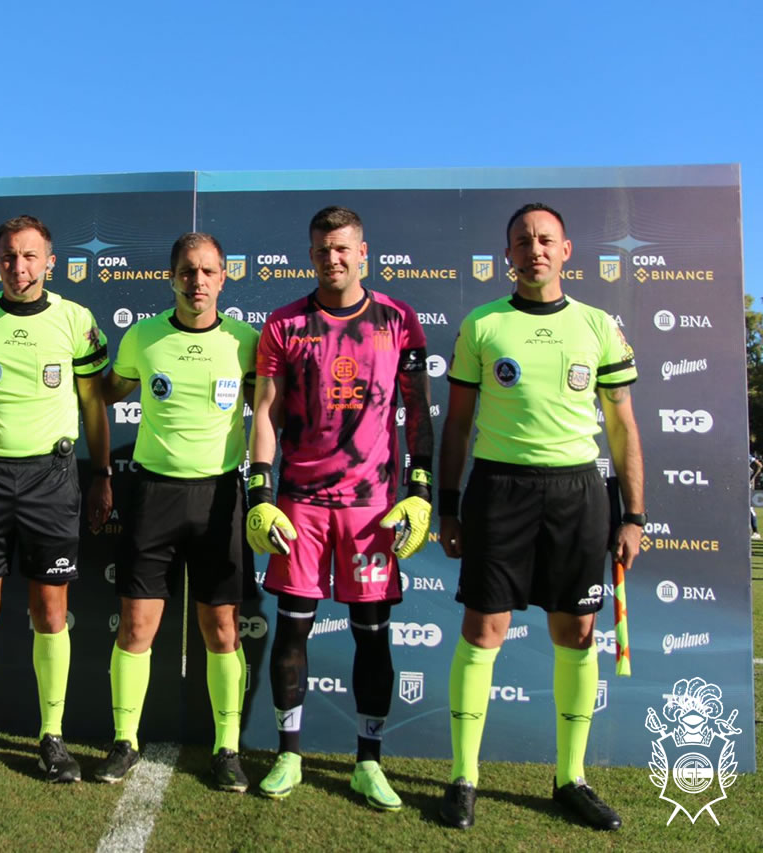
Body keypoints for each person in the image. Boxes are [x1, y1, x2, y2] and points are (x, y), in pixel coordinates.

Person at [436, 203, 643, 831]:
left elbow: (622, 427)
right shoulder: (482, 324)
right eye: (523, 241)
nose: (535, 250)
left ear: (566, 250)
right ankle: (463, 778)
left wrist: (634, 515)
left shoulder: (598, 326)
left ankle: (570, 778)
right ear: (508, 255)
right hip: (499, 490)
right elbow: (458, 425)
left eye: (546, 240)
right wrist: (449, 506)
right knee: (483, 629)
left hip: (577, 493)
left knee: (577, 633)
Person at [247, 206, 433, 805]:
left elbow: (417, 410)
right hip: (300, 502)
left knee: (372, 636)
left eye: (344, 248)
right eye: (324, 250)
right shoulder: (284, 323)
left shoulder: (398, 319)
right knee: (292, 628)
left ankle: (368, 762)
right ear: (311, 256)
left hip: (371, 506)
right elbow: (266, 411)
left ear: (363, 253)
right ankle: (289, 755)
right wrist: (259, 492)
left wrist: (420, 491)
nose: (334, 258)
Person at [0, 214, 112, 787]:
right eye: (9, 256)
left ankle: (52, 739)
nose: (19, 266)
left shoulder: (76, 319)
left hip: (51, 478)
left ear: (50, 263)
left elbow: (93, 404)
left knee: (51, 613)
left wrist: (102, 473)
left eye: (30, 256)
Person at [94, 233, 258, 790]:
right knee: (136, 625)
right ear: (172, 278)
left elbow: (274, 410)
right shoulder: (143, 336)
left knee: (222, 628)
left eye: (208, 271)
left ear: (224, 278)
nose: (198, 282)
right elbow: (105, 393)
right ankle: (124, 742)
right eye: (188, 272)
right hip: (154, 495)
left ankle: (227, 748)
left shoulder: (245, 342)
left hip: (219, 497)